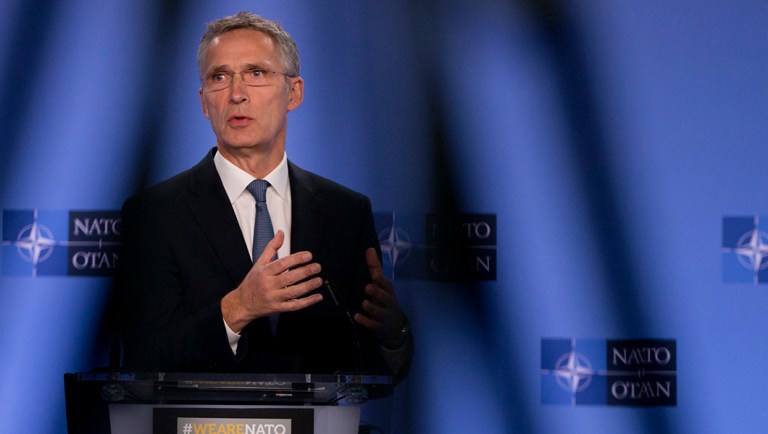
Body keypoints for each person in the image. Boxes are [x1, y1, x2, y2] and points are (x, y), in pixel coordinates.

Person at [118, 11, 411, 380]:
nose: (237, 94)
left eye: (256, 73)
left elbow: (368, 373)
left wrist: (391, 335)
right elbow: (143, 359)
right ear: (204, 102)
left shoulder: (345, 211)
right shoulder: (155, 214)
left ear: (295, 92)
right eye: (219, 77)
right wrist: (238, 308)